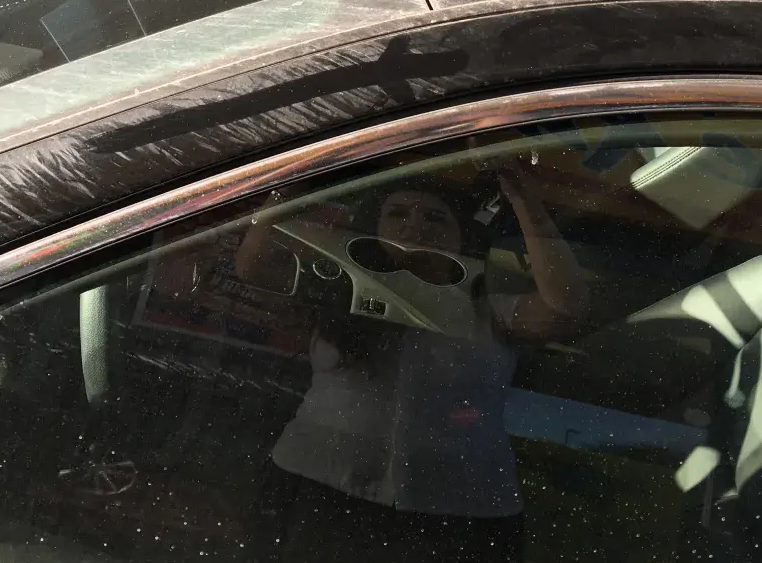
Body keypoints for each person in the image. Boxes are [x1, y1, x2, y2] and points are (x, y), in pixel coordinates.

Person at [234, 157, 589, 563]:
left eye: (435, 218)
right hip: (315, 486)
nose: (414, 224)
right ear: (374, 228)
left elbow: (565, 308)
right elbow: (255, 266)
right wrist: (292, 181)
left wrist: (526, 203)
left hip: (458, 512)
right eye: (396, 214)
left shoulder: (493, 311)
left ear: (463, 237)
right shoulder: (337, 290)